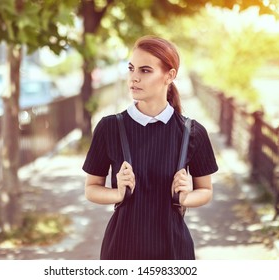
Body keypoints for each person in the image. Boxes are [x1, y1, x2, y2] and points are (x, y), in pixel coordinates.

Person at [82, 35, 218, 260]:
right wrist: (117, 193)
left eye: (145, 71)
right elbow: (91, 189)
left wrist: (186, 198)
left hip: (173, 251)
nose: (134, 78)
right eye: (131, 69)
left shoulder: (192, 133)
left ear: (170, 76)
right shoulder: (109, 128)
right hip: (121, 250)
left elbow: (206, 191)